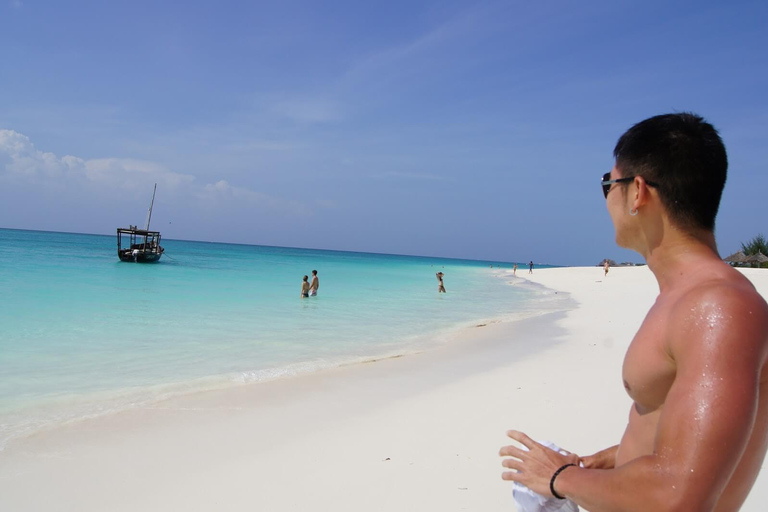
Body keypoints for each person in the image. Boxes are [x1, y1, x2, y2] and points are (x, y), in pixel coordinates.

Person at [500, 113, 768, 510]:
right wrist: (595, 464)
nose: (607, 197)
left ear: (637, 191)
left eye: (609, 184)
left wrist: (559, 478)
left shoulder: (718, 308)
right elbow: (683, 442)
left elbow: (678, 496)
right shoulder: (689, 299)